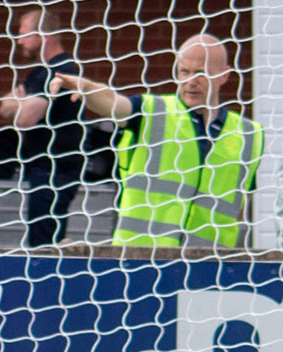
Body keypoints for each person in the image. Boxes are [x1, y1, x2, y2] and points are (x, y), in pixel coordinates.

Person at [50, 33, 263, 250]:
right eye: (184, 71)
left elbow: (240, 206)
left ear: (224, 75)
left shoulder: (248, 134)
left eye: (201, 73)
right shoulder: (152, 111)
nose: (191, 82)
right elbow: (114, 103)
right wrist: (86, 87)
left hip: (209, 261)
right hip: (139, 258)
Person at [0, 8, 88, 248]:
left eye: (24, 34)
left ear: (43, 36)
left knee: (45, 243)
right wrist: (21, 103)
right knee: (40, 237)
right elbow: (4, 108)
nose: (19, 41)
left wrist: (19, 102)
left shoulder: (60, 71)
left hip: (56, 168)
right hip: (44, 167)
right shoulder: (40, 73)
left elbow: (24, 119)